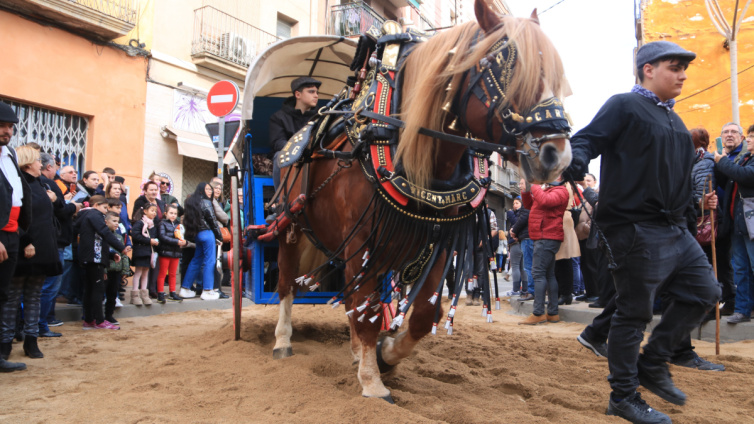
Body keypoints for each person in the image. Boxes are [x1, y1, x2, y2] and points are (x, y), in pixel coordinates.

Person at [565, 41, 720, 423]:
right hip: (633, 228)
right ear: (648, 69)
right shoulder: (623, 104)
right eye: (675, 67)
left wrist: (692, 213)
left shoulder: (675, 120)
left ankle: (653, 361)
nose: (683, 75)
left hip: (675, 229)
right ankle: (623, 397)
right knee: (633, 315)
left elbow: (679, 177)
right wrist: (576, 160)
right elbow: (585, 140)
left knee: (706, 292)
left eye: (685, 68)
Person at [0, 146, 60, 359]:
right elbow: (15, 215)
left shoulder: (38, 183)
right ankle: (5, 343)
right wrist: (26, 241)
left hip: (42, 249)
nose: (40, 164)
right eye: (37, 160)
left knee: (34, 296)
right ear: (27, 163)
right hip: (23, 246)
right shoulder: (19, 183)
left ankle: (31, 341)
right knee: (12, 297)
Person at [714, 123, 754, 324]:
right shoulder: (744, 158)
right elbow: (730, 183)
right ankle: (742, 310)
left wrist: (721, 162)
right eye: (749, 136)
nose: (749, 140)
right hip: (738, 223)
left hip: (751, 223)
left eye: (752, 137)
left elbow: (746, 177)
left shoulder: (747, 163)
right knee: (741, 268)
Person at [0, 103, 30, 372]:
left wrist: (22, 232)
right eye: (1, 125)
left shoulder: (8, 153)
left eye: (9, 126)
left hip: (11, 233)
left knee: (2, 294)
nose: (6, 130)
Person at [37, 152, 80, 337]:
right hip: (54, 241)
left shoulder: (41, 183)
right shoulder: (47, 184)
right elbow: (60, 210)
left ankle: (38, 324)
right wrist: (73, 207)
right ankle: (41, 324)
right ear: (49, 167)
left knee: (45, 285)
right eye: (55, 166)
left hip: (52, 240)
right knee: (49, 285)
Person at [518, 179, 568, 325]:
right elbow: (529, 205)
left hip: (546, 236)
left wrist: (533, 185)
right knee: (549, 275)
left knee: (538, 274)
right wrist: (526, 190)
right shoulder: (548, 191)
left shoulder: (560, 191)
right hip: (544, 236)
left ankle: (538, 313)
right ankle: (552, 313)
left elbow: (545, 201)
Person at [75, 195, 126, 330]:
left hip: (91, 257)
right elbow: (104, 233)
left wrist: (110, 254)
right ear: (96, 205)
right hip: (94, 259)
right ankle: (99, 321)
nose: (105, 211)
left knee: (90, 289)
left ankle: (90, 320)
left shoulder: (88, 216)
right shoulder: (94, 214)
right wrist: (122, 248)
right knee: (97, 290)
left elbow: (96, 240)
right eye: (104, 208)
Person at [269, 76, 321, 190]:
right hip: (291, 157)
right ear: (298, 95)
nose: (316, 95)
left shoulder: (321, 117)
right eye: (311, 92)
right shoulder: (278, 117)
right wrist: (299, 149)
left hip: (317, 155)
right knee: (279, 155)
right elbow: (277, 142)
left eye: (317, 92)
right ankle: (281, 199)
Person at [179, 183, 223, 300]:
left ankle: (185, 288)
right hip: (207, 234)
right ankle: (208, 290)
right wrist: (220, 236)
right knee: (210, 261)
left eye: (210, 189)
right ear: (201, 190)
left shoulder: (191, 202)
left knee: (196, 260)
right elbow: (213, 221)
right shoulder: (206, 202)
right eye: (207, 189)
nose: (210, 191)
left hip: (197, 234)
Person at [554, 178, 581, 305]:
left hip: (562, 218)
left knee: (564, 259)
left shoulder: (563, 182)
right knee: (559, 261)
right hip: (559, 218)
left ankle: (565, 293)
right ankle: (562, 293)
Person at [105, 198, 131, 315]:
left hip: (117, 270)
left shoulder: (119, 237)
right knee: (102, 293)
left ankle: (109, 316)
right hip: (107, 270)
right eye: (114, 221)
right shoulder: (103, 236)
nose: (116, 223)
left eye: (117, 221)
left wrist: (125, 269)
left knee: (112, 294)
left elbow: (124, 253)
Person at [130, 203, 159, 306]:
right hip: (140, 251)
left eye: (155, 211)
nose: (154, 213)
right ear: (145, 211)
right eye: (152, 210)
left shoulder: (152, 225)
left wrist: (155, 241)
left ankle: (144, 294)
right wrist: (149, 240)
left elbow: (153, 237)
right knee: (138, 273)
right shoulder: (139, 223)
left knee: (146, 273)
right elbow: (136, 236)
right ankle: (135, 294)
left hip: (148, 252)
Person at [157, 204, 185, 303]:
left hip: (176, 252)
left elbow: (181, 235)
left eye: (175, 214)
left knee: (173, 274)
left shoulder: (178, 224)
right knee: (163, 273)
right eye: (171, 213)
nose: (173, 215)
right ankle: (160, 293)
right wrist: (176, 242)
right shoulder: (162, 223)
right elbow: (162, 237)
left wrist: (183, 241)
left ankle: (172, 293)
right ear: (165, 214)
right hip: (165, 251)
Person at [506, 198, 528, 295]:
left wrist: (510, 214)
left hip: (516, 242)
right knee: (522, 267)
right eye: (514, 203)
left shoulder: (519, 214)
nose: (514, 205)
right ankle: (525, 289)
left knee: (515, 266)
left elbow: (516, 223)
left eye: (517, 203)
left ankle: (516, 289)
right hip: (522, 241)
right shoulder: (524, 212)